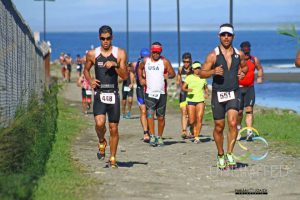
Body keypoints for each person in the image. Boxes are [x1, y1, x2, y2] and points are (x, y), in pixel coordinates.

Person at [200, 23, 248, 169]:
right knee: (219, 127)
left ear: (233, 36)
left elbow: (245, 65)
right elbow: (202, 73)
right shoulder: (213, 55)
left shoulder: (238, 54)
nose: (226, 37)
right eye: (223, 35)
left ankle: (230, 153)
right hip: (218, 94)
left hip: (234, 92)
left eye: (229, 35)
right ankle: (220, 154)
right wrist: (213, 72)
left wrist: (242, 72)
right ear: (219, 36)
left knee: (233, 123)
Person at [83, 25, 128, 168]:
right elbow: (86, 70)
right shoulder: (93, 54)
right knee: (99, 124)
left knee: (114, 128)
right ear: (99, 38)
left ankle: (113, 157)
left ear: (112, 38)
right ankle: (102, 141)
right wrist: (90, 80)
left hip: (113, 94)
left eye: (108, 38)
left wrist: (114, 65)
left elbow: (125, 76)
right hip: (100, 93)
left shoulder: (119, 53)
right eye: (103, 39)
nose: (105, 41)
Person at [138, 42, 176, 146]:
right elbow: (139, 68)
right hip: (149, 93)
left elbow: (173, 73)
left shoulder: (164, 62)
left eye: (157, 52)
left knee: (161, 117)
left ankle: (159, 137)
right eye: (154, 52)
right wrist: (141, 79)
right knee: (150, 114)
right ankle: (152, 136)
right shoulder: (146, 61)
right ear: (151, 51)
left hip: (162, 93)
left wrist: (168, 75)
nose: (155, 54)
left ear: (160, 52)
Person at [237, 41, 264, 141]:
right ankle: (238, 130)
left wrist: (260, 77)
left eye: (247, 50)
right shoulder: (237, 60)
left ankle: (249, 132)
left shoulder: (254, 59)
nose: (246, 53)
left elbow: (259, 68)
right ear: (241, 51)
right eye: (244, 51)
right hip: (238, 88)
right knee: (239, 112)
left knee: (249, 110)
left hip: (250, 88)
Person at [181, 61, 209, 143]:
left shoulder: (203, 78)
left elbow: (206, 88)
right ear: (193, 69)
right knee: (192, 120)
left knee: (199, 118)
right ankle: (192, 129)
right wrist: (188, 90)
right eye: (196, 68)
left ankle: (197, 137)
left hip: (200, 100)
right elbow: (183, 88)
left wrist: (207, 93)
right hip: (191, 100)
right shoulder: (189, 77)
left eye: (199, 68)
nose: (198, 70)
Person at [130, 48, 151, 142]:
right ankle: (146, 132)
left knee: (149, 111)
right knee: (143, 111)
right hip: (140, 89)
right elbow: (130, 71)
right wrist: (132, 82)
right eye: (143, 57)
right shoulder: (136, 64)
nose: (145, 59)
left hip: (150, 90)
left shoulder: (152, 63)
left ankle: (150, 131)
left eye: (147, 57)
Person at [176, 52, 192, 139]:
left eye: (188, 62)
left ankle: (190, 128)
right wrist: (178, 84)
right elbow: (178, 80)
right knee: (184, 112)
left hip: (191, 94)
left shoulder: (193, 70)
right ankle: (184, 131)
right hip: (183, 93)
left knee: (190, 113)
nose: (186, 63)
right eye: (184, 61)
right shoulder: (180, 69)